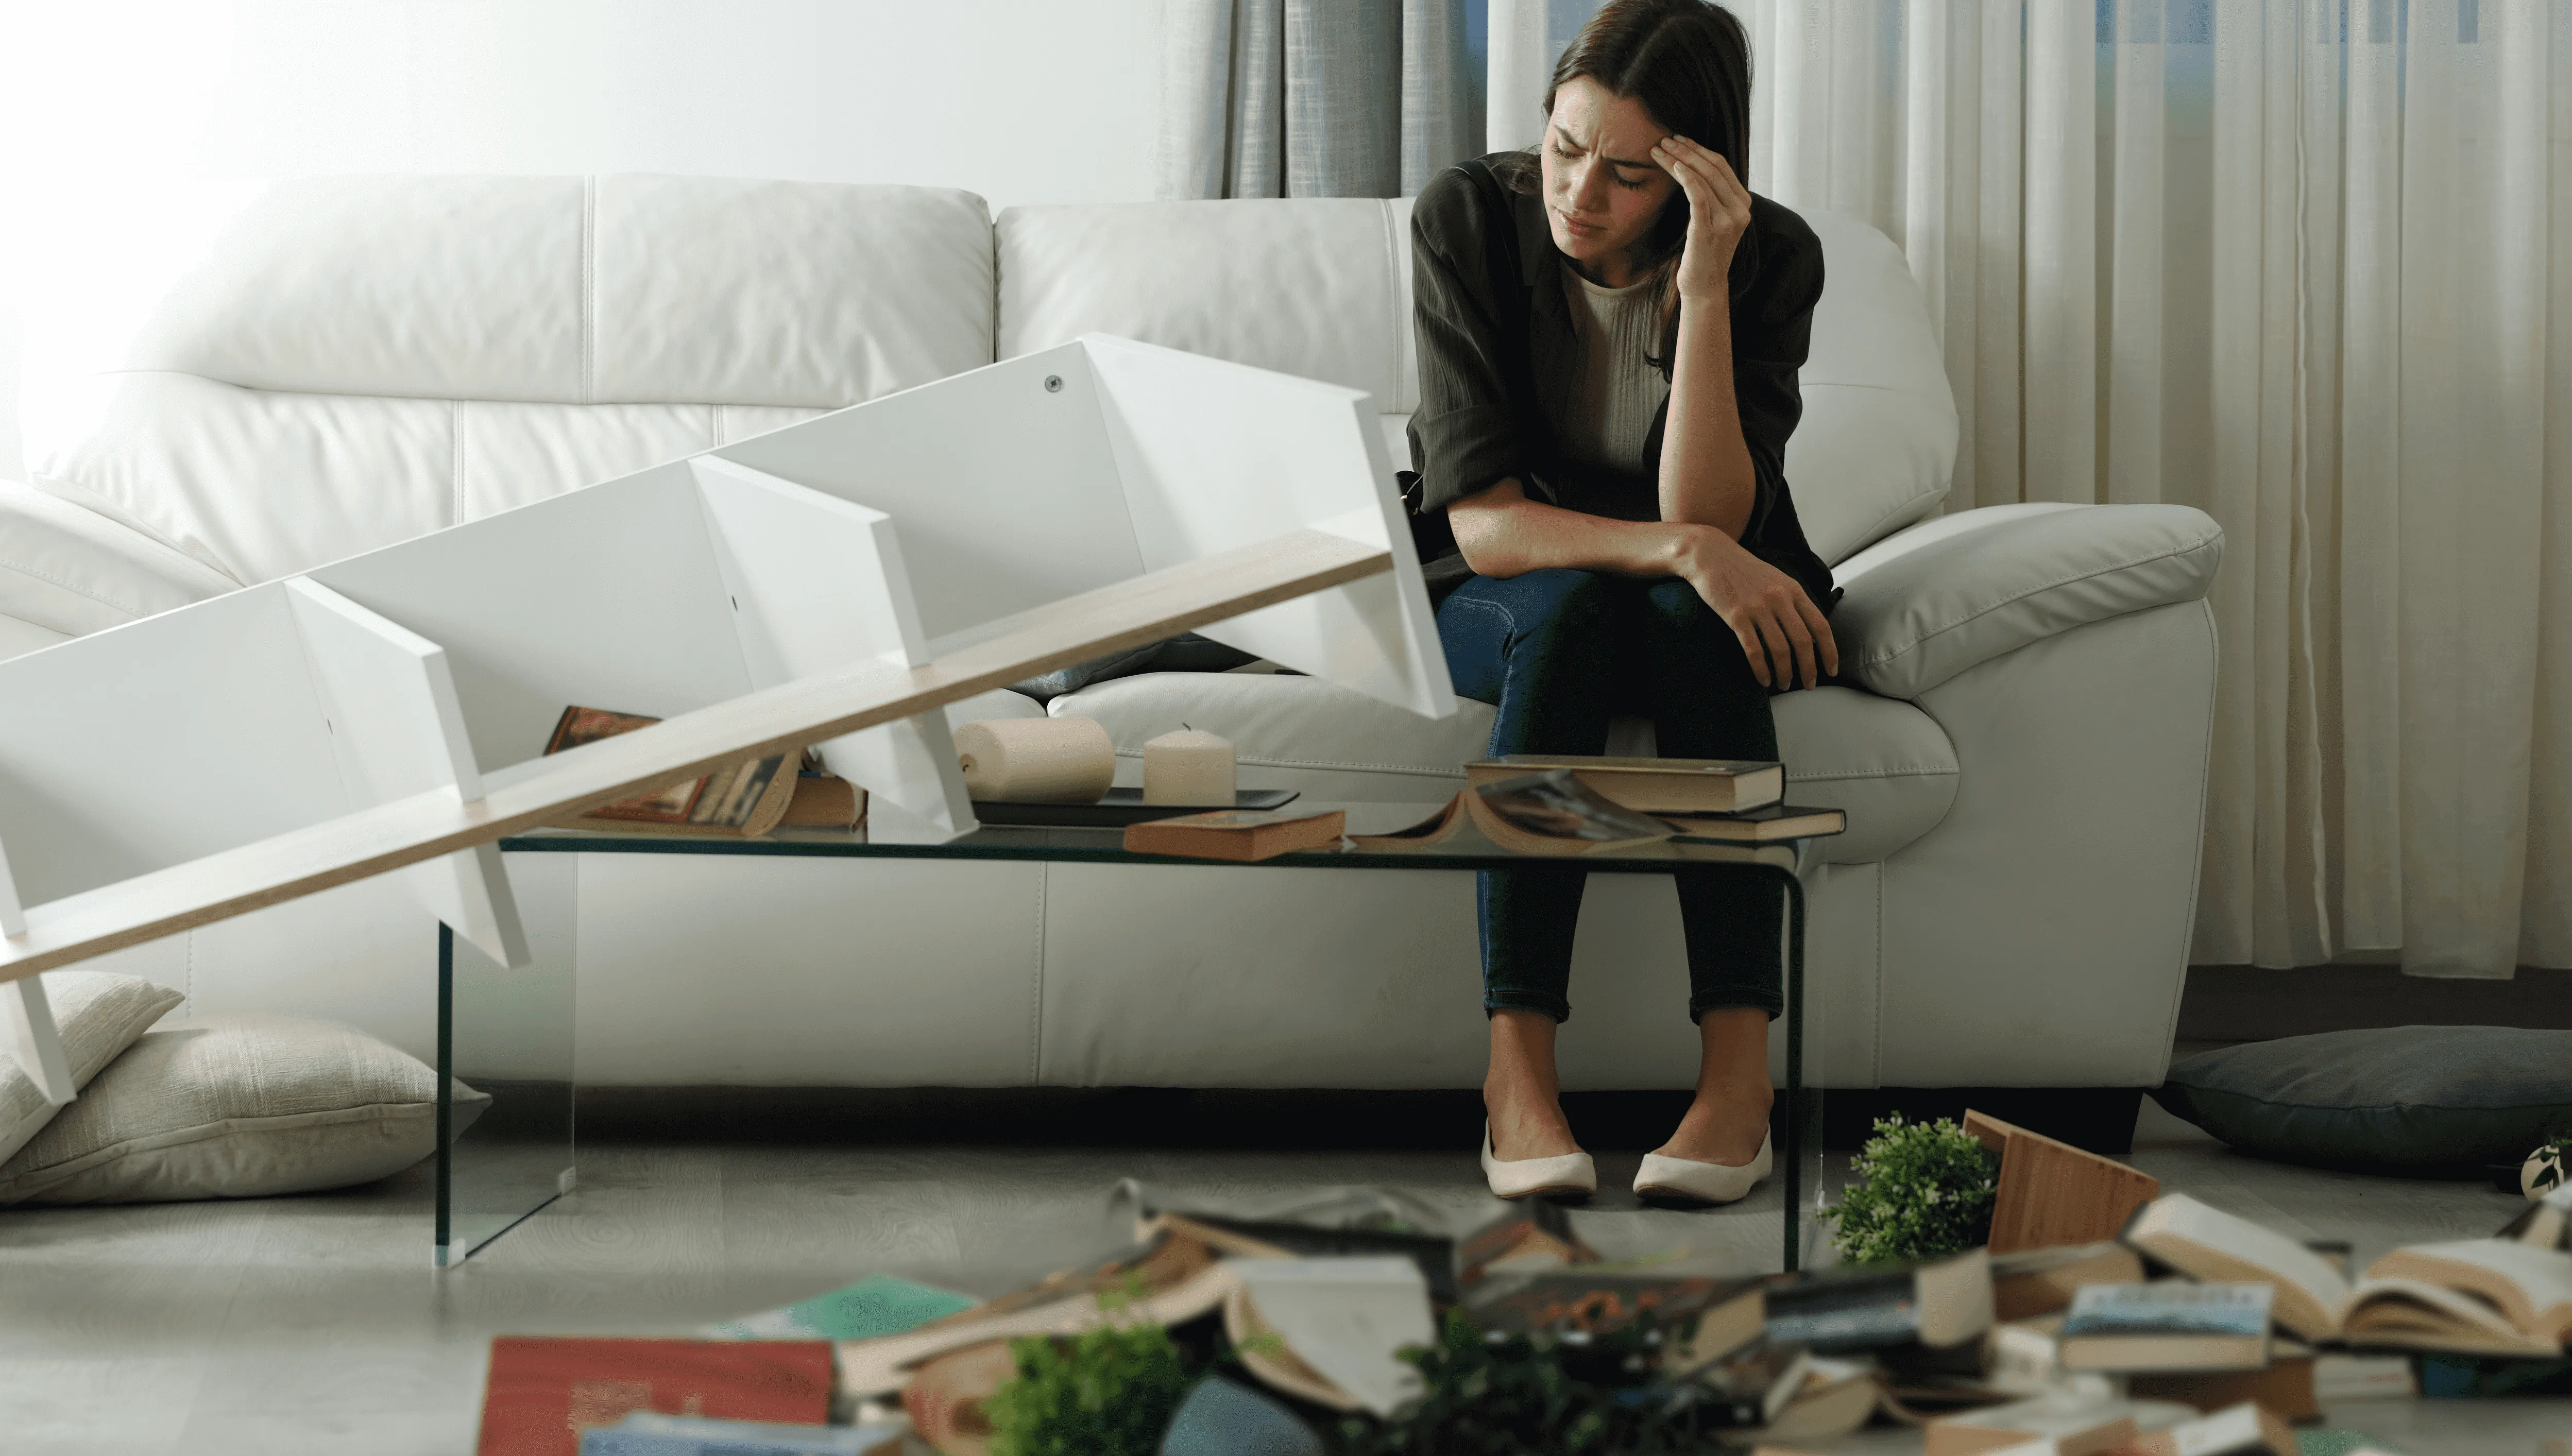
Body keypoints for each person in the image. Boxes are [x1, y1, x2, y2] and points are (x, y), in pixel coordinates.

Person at [1405, 0, 1837, 1205]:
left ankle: (1739, 1081)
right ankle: (1517, 1075)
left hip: (1689, 603)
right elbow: (1482, 522)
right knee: (1583, 614)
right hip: (1516, 590)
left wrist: (1704, 288)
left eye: (1631, 175)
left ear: (1699, 178)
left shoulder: (1772, 257)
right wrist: (1683, 552)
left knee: (1691, 618)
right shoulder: (1467, 220)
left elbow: (1717, 516)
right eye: (1564, 147)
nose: (1580, 195)